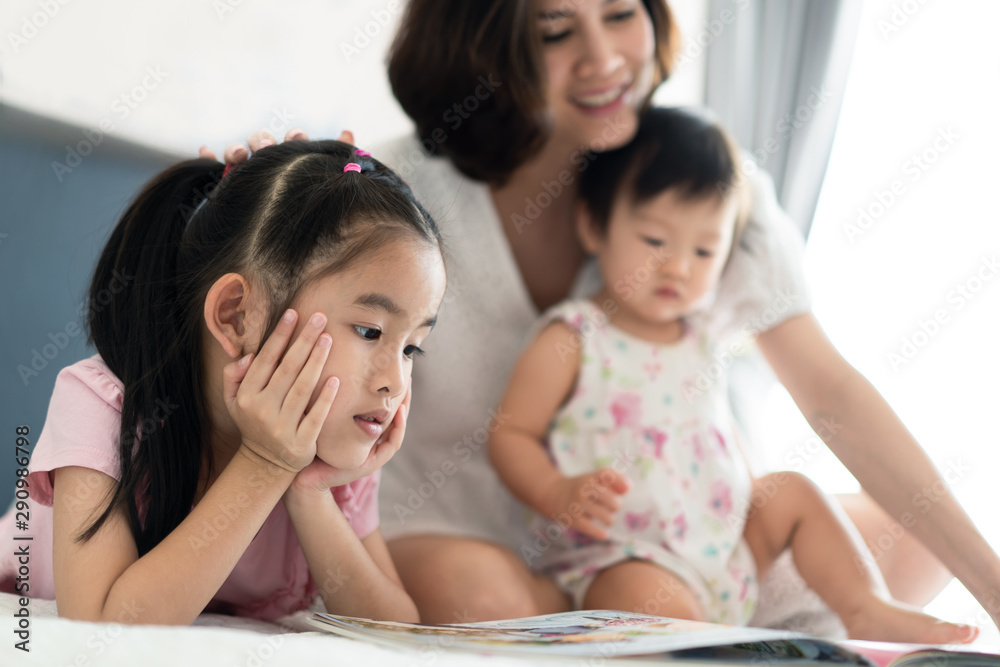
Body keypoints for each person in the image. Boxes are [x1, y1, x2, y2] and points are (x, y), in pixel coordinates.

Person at [208, 0, 1000, 635]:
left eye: (622, 14)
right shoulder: (399, 199)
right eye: (556, 29)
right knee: (481, 596)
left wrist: (990, 582)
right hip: (472, 543)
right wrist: (247, 216)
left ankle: (673, 625)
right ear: (486, 44)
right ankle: (646, 625)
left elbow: (830, 390)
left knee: (919, 535)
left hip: (689, 528)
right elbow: (246, 312)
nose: (605, 58)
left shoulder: (702, 184)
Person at [488, 106, 976, 643]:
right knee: (655, 616)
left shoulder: (702, 336)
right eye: (655, 241)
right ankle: (704, 648)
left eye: (704, 250)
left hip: (724, 549)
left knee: (794, 491)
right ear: (594, 225)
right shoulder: (575, 336)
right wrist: (556, 489)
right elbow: (512, 432)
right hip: (623, 555)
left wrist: (746, 488)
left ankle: (864, 607)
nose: (679, 266)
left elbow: (713, 431)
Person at [0, 139, 448, 625]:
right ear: (236, 315)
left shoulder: (332, 434)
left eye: (411, 348)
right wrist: (265, 464)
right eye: (369, 331)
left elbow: (396, 629)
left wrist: (309, 491)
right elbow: (105, 627)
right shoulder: (102, 405)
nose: (393, 382)